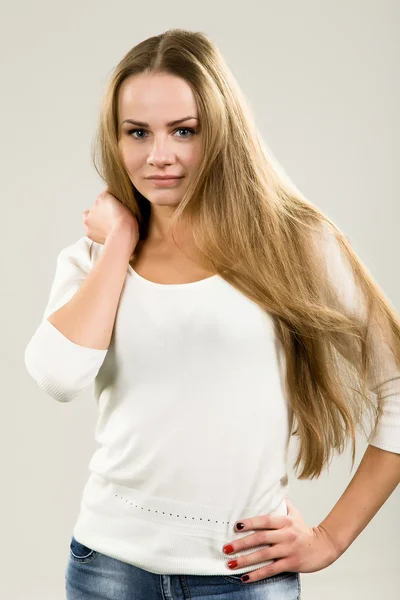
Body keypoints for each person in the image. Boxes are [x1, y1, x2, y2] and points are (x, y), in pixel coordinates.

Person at [24, 28, 400, 600]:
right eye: (138, 133)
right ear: (116, 138)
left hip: (242, 579)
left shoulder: (294, 244)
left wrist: (330, 538)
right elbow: (57, 377)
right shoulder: (95, 258)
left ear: (221, 131)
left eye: (184, 131)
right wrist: (122, 241)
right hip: (107, 570)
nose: (159, 156)